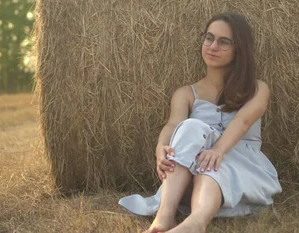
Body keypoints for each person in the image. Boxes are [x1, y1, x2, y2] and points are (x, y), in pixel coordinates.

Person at [119, 12, 282, 233]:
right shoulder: (186, 93)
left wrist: (218, 150)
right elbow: (172, 125)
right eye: (209, 38)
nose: (213, 46)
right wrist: (160, 148)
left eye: (223, 41)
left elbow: (243, 121)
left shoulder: (257, 88)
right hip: (198, 166)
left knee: (211, 165)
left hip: (242, 166)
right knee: (191, 131)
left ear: (239, 49)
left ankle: (196, 223)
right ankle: (164, 217)